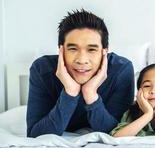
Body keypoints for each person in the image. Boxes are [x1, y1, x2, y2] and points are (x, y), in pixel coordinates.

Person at [26, 9, 135, 137]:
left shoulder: (121, 70)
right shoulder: (42, 70)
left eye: (92, 50)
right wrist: (70, 92)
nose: (82, 60)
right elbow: (35, 135)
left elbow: (117, 133)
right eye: (72, 49)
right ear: (61, 50)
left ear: (104, 51)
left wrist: (90, 94)